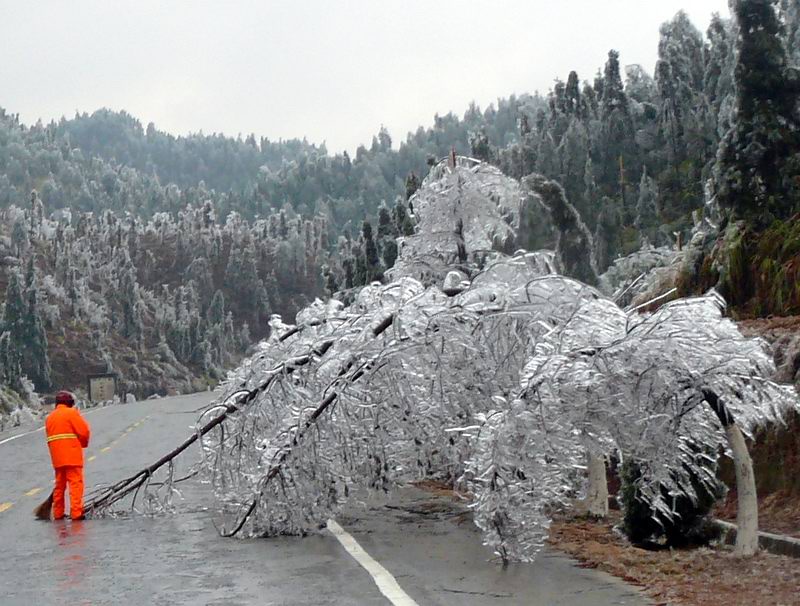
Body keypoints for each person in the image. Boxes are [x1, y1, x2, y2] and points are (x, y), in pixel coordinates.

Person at [45, 391, 91, 520]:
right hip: (72, 455)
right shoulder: (71, 413)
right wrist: (83, 444)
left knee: (59, 485)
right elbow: (84, 432)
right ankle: (76, 513)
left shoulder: (50, 417)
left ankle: (58, 513)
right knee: (75, 483)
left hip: (57, 458)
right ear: (69, 403)